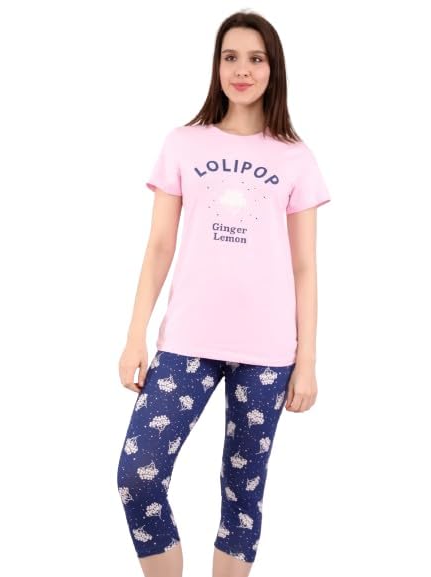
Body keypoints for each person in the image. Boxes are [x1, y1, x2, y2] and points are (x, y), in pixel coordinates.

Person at [117, 9, 331, 577]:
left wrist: (307, 360)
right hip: (187, 340)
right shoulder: (183, 144)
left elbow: (305, 266)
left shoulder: (295, 158)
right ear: (216, 66)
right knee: (138, 476)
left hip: (268, 351)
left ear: (272, 68)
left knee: (242, 495)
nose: (242, 70)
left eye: (255, 58)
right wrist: (135, 334)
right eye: (230, 57)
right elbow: (159, 245)